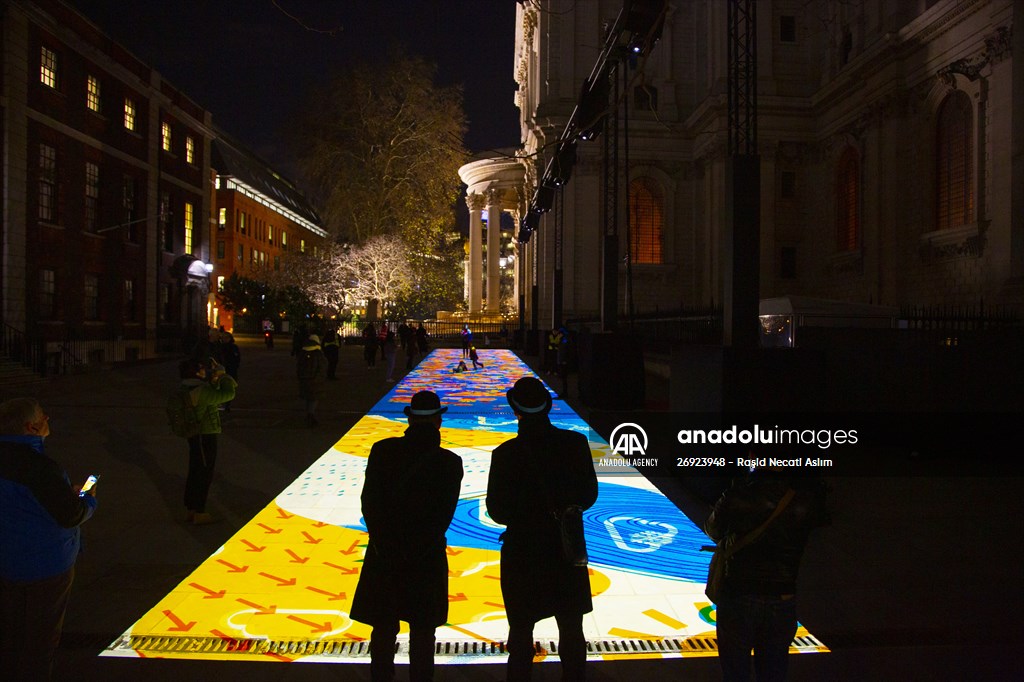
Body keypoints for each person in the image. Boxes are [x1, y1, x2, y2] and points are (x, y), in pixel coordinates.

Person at [486, 377, 598, 682]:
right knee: (572, 628)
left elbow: (496, 511)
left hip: (523, 552)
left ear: (515, 410)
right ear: (547, 407)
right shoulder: (575, 444)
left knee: (521, 632)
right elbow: (589, 495)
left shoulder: (505, 454)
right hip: (564, 547)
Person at [350, 390, 463, 682]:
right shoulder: (449, 462)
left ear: (410, 418)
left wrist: (384, 543)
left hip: (384, 553)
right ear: (438, 421)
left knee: (384, 627)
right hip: (425, 556)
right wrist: (419, 547)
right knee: (424, 630)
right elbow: (443, 516)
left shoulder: (383, 450)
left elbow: (370, 503)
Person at [0, 398, 98, 680]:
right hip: (45, 564)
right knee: (40, 639)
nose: (48, 421)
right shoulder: (38, 468)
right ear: (31, 427)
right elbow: (70, 514)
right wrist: (87, 500)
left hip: (7, 561)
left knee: (11, 633)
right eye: (45, 417)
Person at [704, 465, 829, 682]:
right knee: (774, 669)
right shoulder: (806, 499)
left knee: (735, 670)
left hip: (739, 594)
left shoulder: (739, 494)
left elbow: (713, 529)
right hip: (783, 597)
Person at [176, 357, 237, 524]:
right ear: (196, 372)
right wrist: (223, 375)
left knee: (195, 470)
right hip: (205, 435)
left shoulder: (187, 387)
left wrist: (213, 379)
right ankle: (199, 512)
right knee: (204, 473)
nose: (205, 371)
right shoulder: (201, 391)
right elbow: (227, 394)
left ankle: (191, 509)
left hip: (195, 434)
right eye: (202, 369)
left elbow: (211, 393)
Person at [296, 333, 326, 426]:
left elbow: (298, 366)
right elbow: (322, 367)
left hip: (304, 379)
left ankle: (309, 414)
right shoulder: (318, 353)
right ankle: (311, 415)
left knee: (308, 398)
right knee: (314, 398)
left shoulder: (303, 352)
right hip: (315, 380)